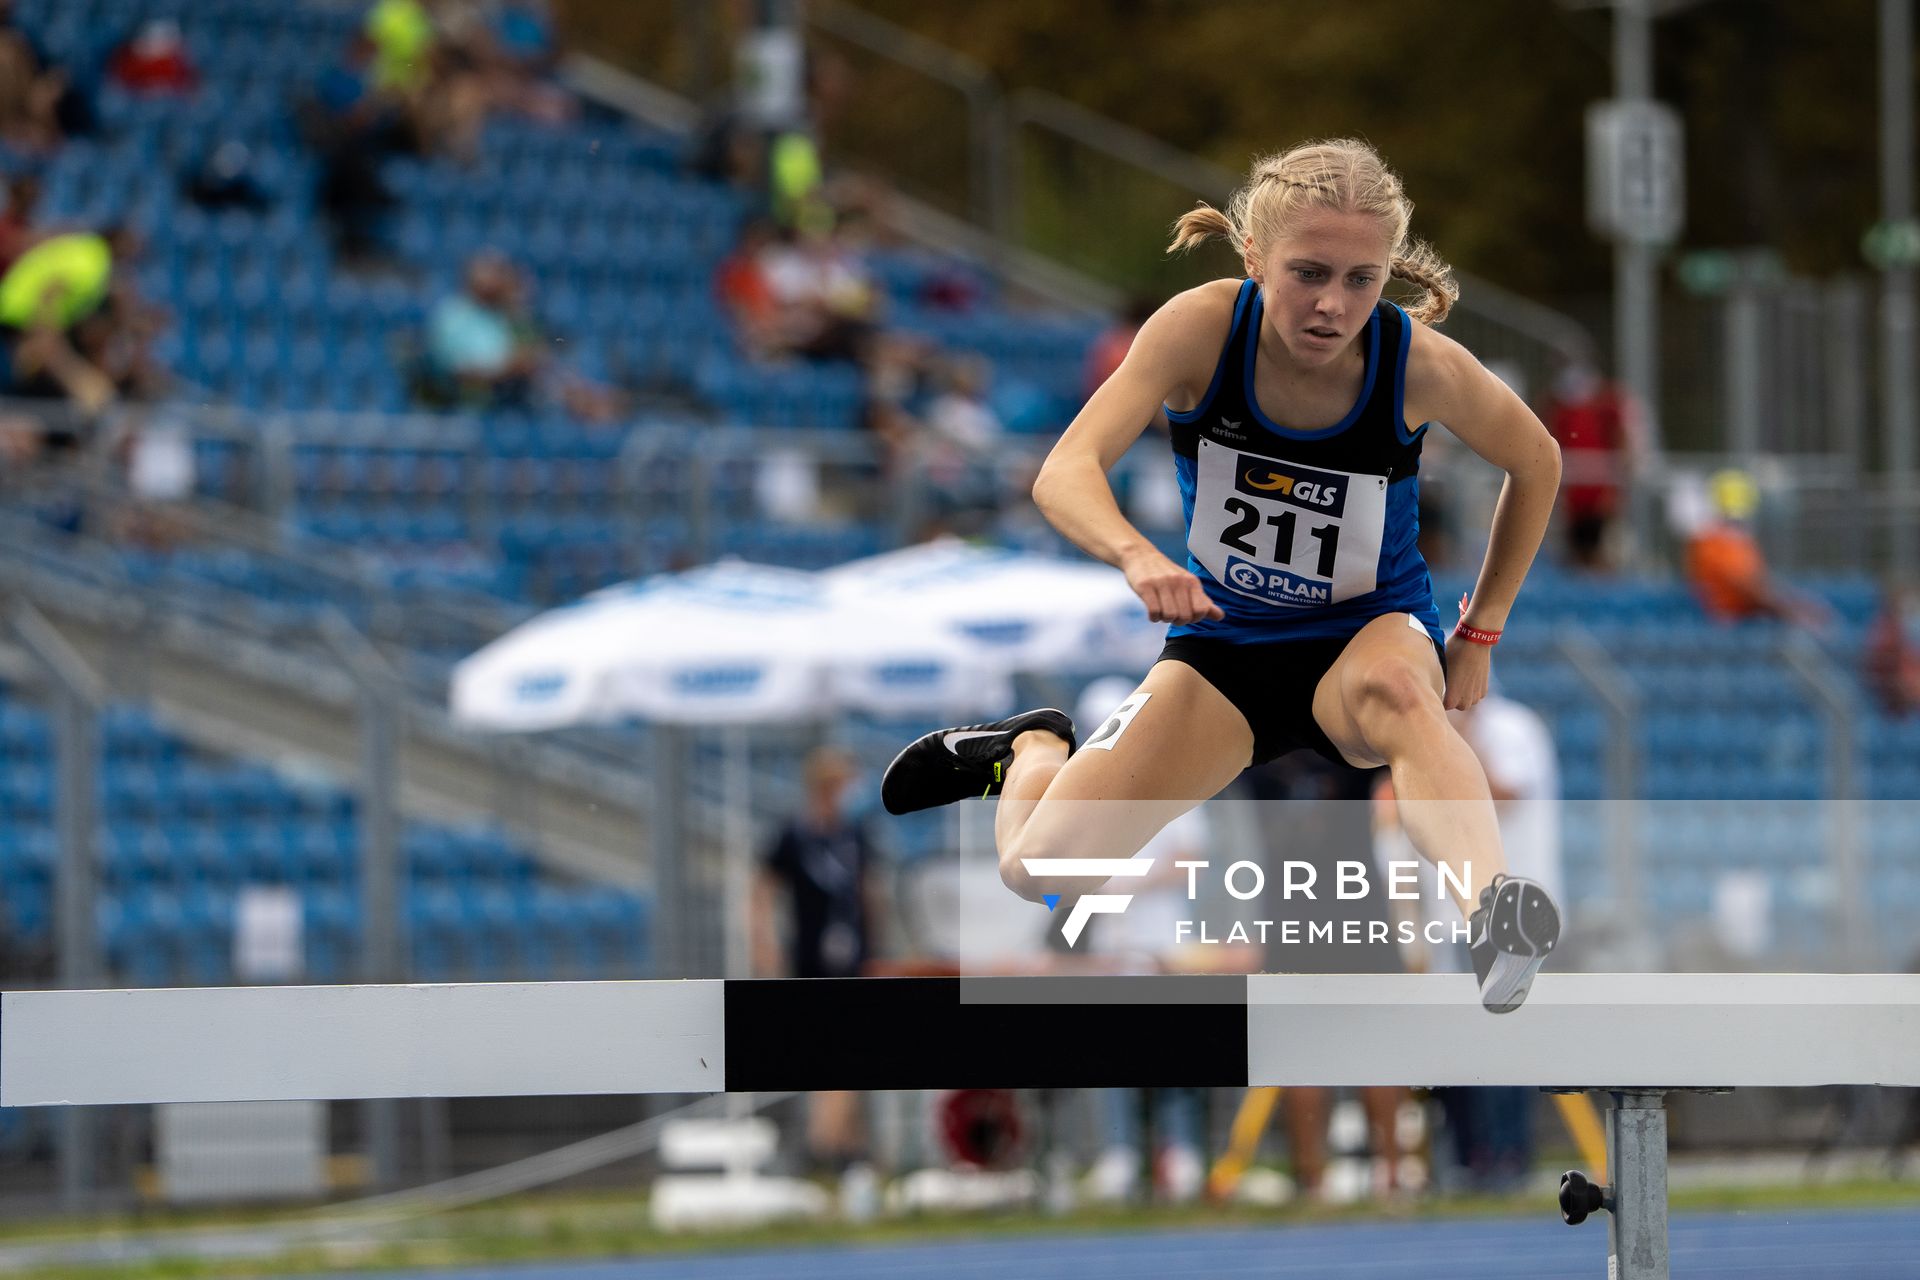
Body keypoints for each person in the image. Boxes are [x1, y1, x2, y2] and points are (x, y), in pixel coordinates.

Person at [880, 138, 1564, 1014]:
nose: (1332, 306)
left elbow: (1537, 459)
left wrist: (1480, 628)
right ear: (1252, 258)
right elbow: (1064, 469)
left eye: (1362, 279)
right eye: (1308, 273)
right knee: (1038, 870)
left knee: (1402, 688)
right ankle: (1031, 749)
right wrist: (1138, 554)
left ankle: (1495, 915)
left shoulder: (1414, 362)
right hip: (1225, 650)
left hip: (1363, 637)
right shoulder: (1202, 328)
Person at [752, 746, 887, 1174]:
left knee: (852, 1054)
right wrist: (765, 945)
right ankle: (830, 1147)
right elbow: (760, 892)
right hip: (811, 961)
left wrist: (877, 949)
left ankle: (841, 1149)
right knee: (833, 1056)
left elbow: (868, 892)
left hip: (854, 959)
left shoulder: (853, 835)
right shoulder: (795, 835)